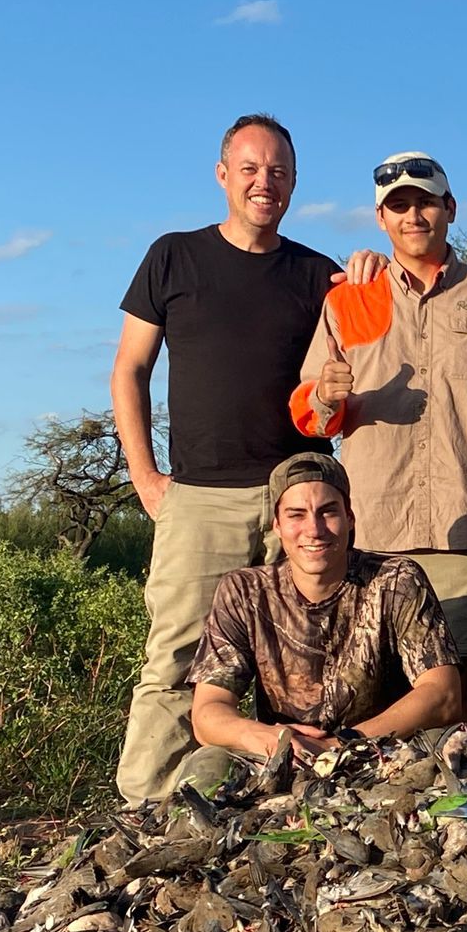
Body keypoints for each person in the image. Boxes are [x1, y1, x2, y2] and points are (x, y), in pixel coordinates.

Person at [112, 113, 351, 803]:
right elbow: (130, 370)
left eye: (277, 171)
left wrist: (367, 269)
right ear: (222, 175)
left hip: (296, 499)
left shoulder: (317, 274)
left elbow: (349, 365)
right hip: (200, 496)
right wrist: (147, 477)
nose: (263, 183)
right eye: (249, 169)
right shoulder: (173, 257)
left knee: (301, 651)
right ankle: (149, 804)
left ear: (295, 182)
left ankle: (278, 792)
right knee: (178, 655)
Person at [290, 152, 467, 737]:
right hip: (371, 542)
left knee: (464, 695)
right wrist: (327, 398)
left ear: (450, 209)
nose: (414, 216)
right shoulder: (349, 299)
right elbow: (311, 418)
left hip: (465, 535)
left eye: (425, 202)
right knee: (373, 695)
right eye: (399, 206)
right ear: (381, 219)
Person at [181, 453, 462, 790]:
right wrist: (266, 737)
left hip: (386, 756)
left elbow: (443, 694)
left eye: (328, 511)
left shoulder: (396, 579)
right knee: (207, 765)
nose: (313, 530)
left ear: (350, 518)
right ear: (277, 526)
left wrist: (343, 745)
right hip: (282, 760)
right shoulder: (244, 591)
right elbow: (208, 711)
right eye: (296, 515)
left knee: (443, 745)